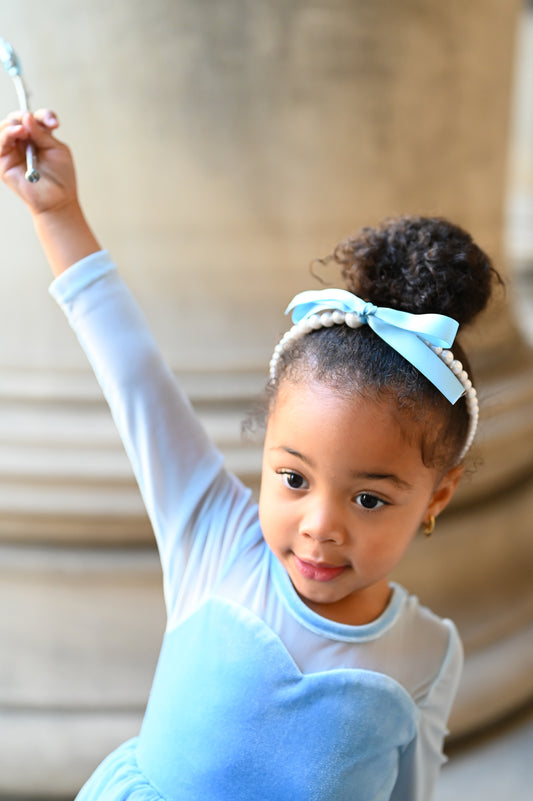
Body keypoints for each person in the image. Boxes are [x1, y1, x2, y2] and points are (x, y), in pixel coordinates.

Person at [0, 110, 501, 801]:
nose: (320, 525)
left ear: (434, 497)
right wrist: (59, 214)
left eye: (368, 498)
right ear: (264, 451)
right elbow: (133, 373)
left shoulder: (428, 653)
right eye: (293, 478)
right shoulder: (214, 536)